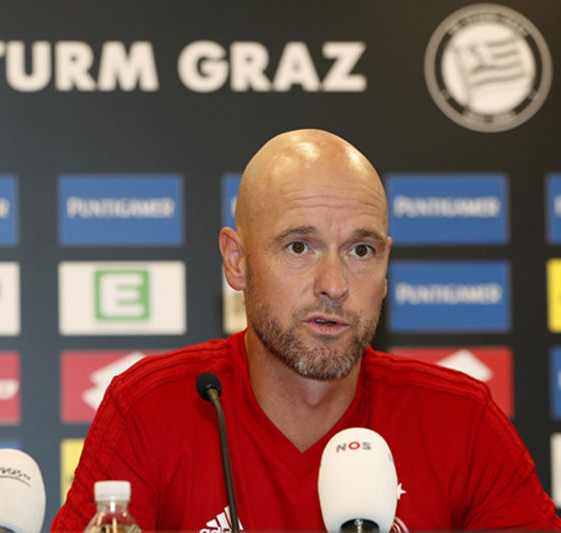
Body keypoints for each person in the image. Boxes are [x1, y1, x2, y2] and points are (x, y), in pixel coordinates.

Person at [53, 129, 561, 531]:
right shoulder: (149, 409)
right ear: (237, 261)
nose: (334, 285)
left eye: (361, 250)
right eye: (299, 247)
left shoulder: (460, 420)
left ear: (385, 267)